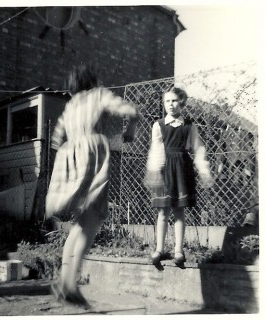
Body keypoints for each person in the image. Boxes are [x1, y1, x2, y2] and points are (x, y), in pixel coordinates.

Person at [45, 64, 139, 307]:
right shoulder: (98, 95)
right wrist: (130, 131)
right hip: (92, 157)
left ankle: (66, 280)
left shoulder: (70, 105)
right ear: (93, 82)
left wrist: (66, 163)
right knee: (93, 220)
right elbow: (129, 110)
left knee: (80, 223)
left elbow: (56, 137)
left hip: (71, 159)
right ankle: (70, 284)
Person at [144, 86, 213, 268]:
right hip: (165, 169)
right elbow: (156, 149)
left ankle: (178, 250)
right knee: (163, 211)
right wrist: (154, 170)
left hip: (182, 169)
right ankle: (159, 249)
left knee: (179, 211)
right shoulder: (158, 125)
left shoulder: (189, 125)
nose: (171, 105)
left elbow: (198, 148)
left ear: (181, 103)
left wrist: (204, 171)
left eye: (174, 101)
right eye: (167, 101)